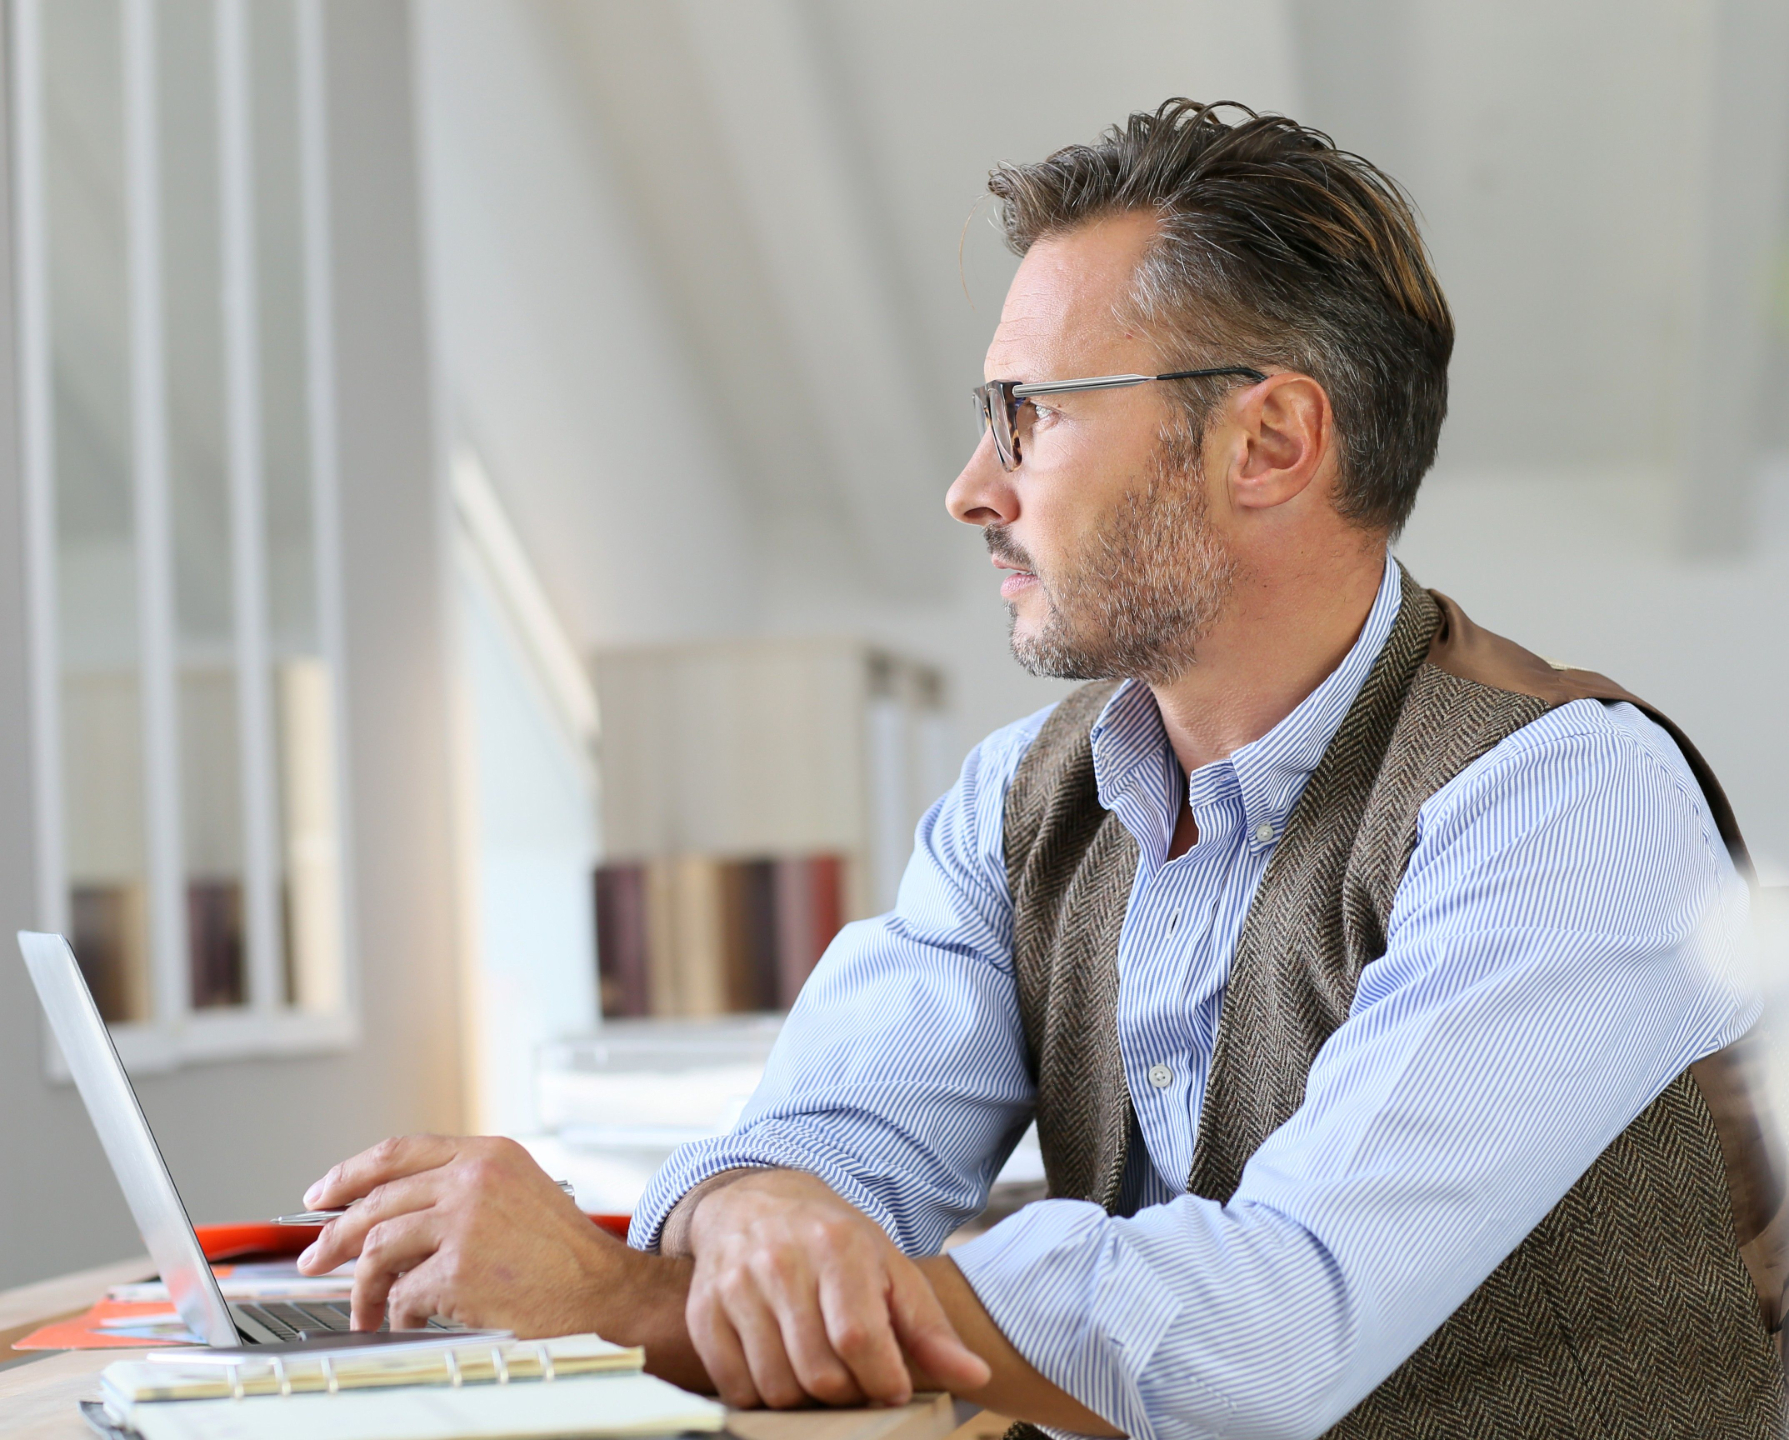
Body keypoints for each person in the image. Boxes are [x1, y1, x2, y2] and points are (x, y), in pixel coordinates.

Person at [297, 100, 1786, 1438]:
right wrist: (760, 1213)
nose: (972, 489)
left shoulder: (1564, 802)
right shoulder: (1018, 800)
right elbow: (836, 1136)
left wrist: (629, 1298)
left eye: (1035, 413)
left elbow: (1271, 1333)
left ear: (1268, 441)